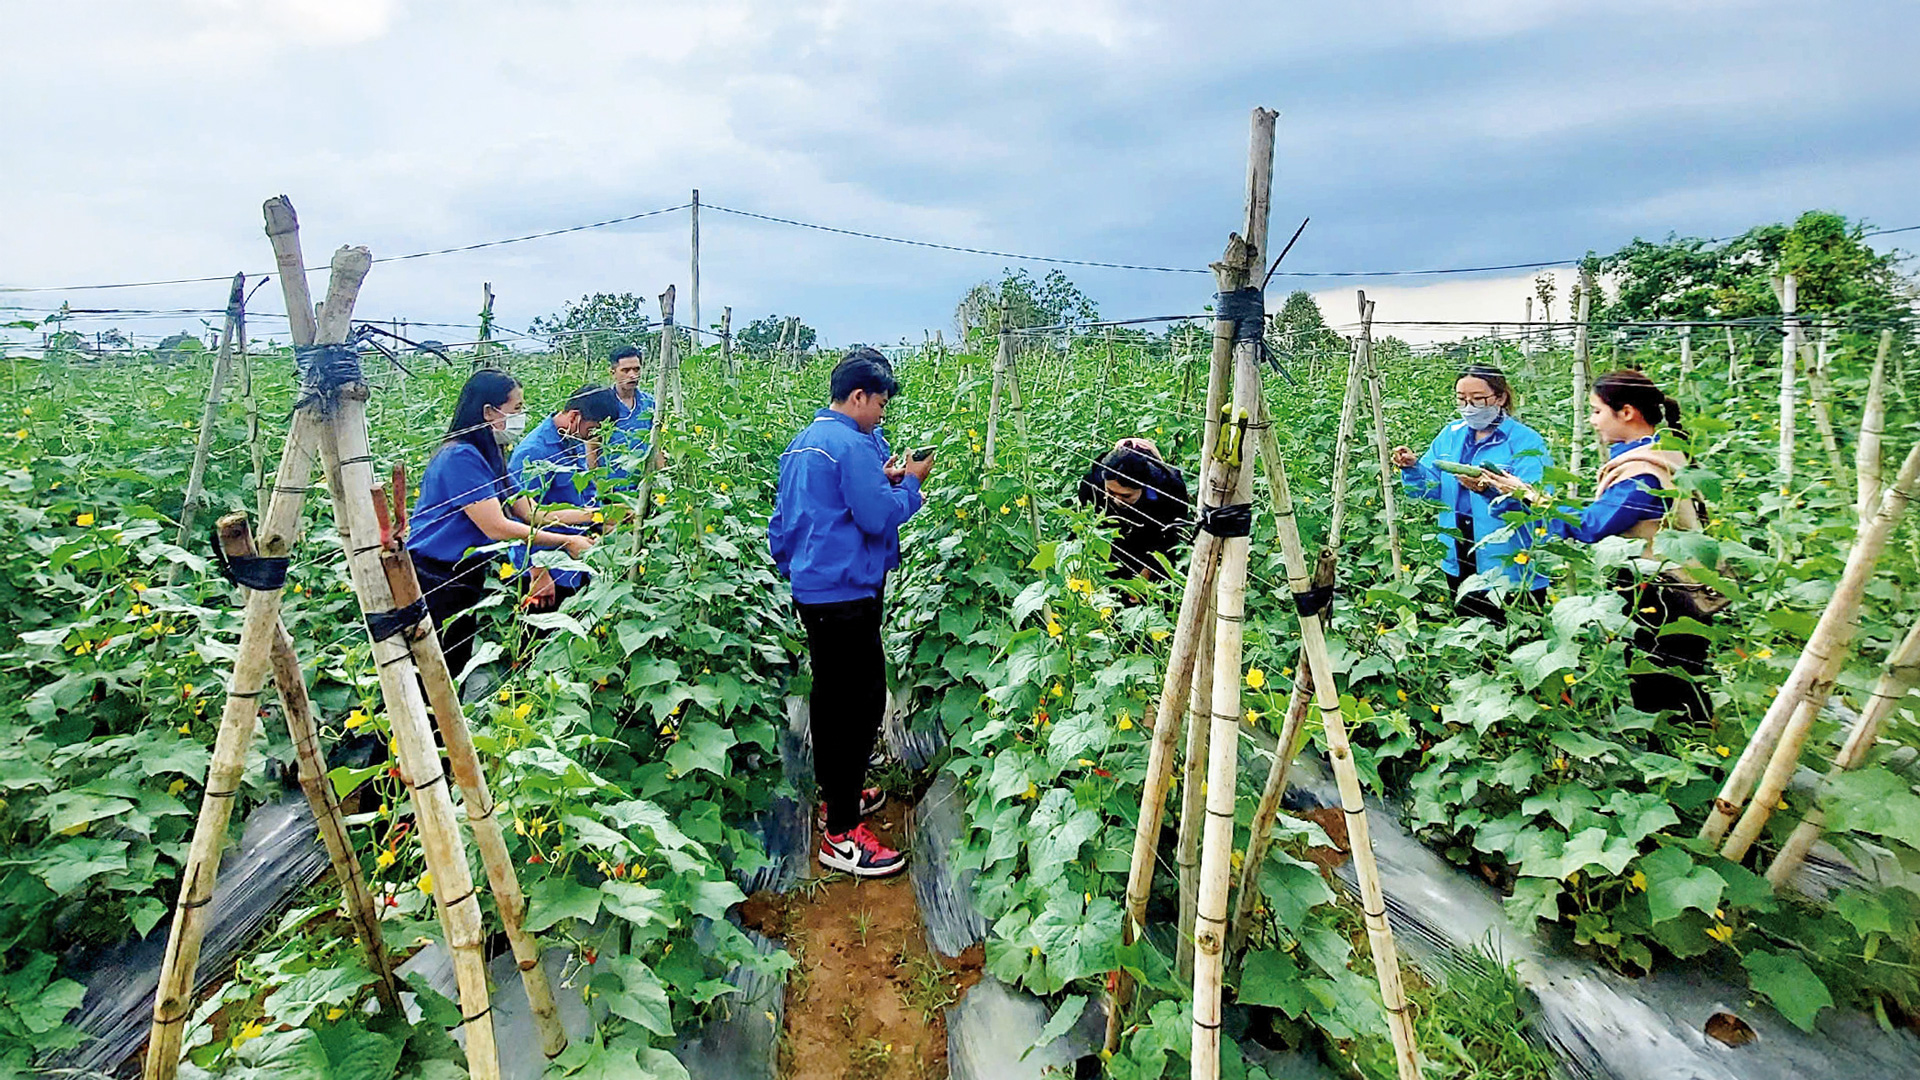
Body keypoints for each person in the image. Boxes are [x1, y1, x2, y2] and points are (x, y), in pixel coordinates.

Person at [768, 348, 932, 878]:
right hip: (845, 593)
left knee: (833, 696)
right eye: (880, 403)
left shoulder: (804, 444)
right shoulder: (851, 445)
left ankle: (839, 794)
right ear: (857, 397)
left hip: (816, 589)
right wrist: (910, 484)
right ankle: (840, 836)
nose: (882, 413)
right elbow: (877, 517)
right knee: (859, 704)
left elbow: (790, 521)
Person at [1488, 369, 1714, 725]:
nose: (1592, 422)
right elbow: (1602, 514)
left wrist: (1532, 498)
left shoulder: (1643, 471)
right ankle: (1687, 757)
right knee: (1675, 685)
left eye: (1596, 411)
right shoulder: (1661, 451)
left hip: (1664, 594)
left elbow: (1592, 525)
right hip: (1669, 586)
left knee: (1665, 693)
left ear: (1626, 412)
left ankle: (1686, 766)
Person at [407, 370, 598, 679]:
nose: (521, 417)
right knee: (434, 671)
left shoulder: (490, 453)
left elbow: (532, 512)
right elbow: (496, 527)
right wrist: (565, 542)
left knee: (452, 665)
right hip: (435, 577)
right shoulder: (460, 457)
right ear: (488, 412)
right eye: (516, 409)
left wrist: (595, 515)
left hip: (464, 573)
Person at [1392, 365, 1551, 621]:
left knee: (1514, 632)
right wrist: (1412, 468)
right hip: (1458, 545)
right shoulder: (1450, 435)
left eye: (1478, 399)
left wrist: (1488, 491)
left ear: (1500, 398)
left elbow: (1536, 501)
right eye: (1461, 399)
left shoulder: (1525, 442)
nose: (1469, 406)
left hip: (1508, 554)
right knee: (1469, 626)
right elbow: (1427, 490)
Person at [507, 384, 625, 610]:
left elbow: (585, 496)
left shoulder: (573, 441)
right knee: (540, 637)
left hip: (574, 563)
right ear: (574, 416)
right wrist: (538, 570)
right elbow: (520, 517)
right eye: (593, 429)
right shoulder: (533, 452)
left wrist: (604, 521)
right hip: (545, 572)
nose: (595, 436)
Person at [1075, 436, 1190, 580]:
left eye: (1126, 496)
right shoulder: (1092, 484)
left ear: (1143, 487)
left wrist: (1148, 572)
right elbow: (1086, 525)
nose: (1117, 500)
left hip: (1153, 524)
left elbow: (1170, 536)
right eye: (1110, 492)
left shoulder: (1168, 490)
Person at [600, 345, 659, 480]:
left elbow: (656, 444)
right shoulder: (603, 403)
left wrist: (661, 478)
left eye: (636, 369)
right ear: (613, 372)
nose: (632, 375)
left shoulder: (649, 403)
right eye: (625, 370)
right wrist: (597, 486)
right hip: (612, 486)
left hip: (643, 483)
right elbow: (592, 446)